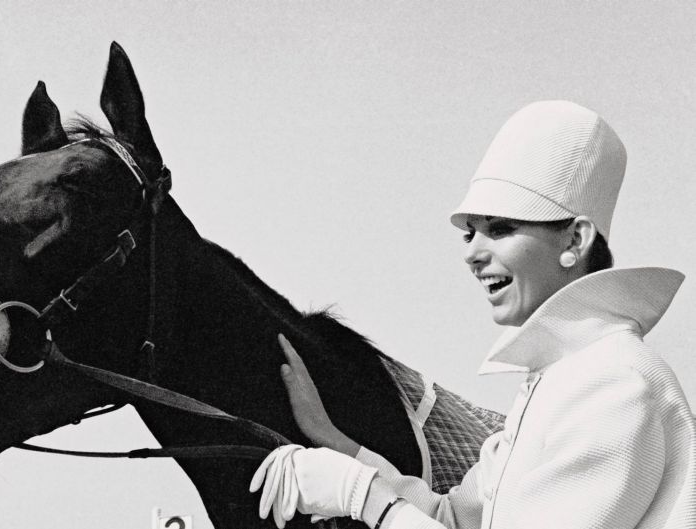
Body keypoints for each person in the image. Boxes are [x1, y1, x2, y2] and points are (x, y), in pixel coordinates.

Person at [250, 100, 696, 528]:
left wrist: (363, 497)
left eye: (501, 228)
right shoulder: (561, 381)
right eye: (471, 234)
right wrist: (340, 445)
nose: (474, 253)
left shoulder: (613, 385)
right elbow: (449, 520)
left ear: (575, 242)